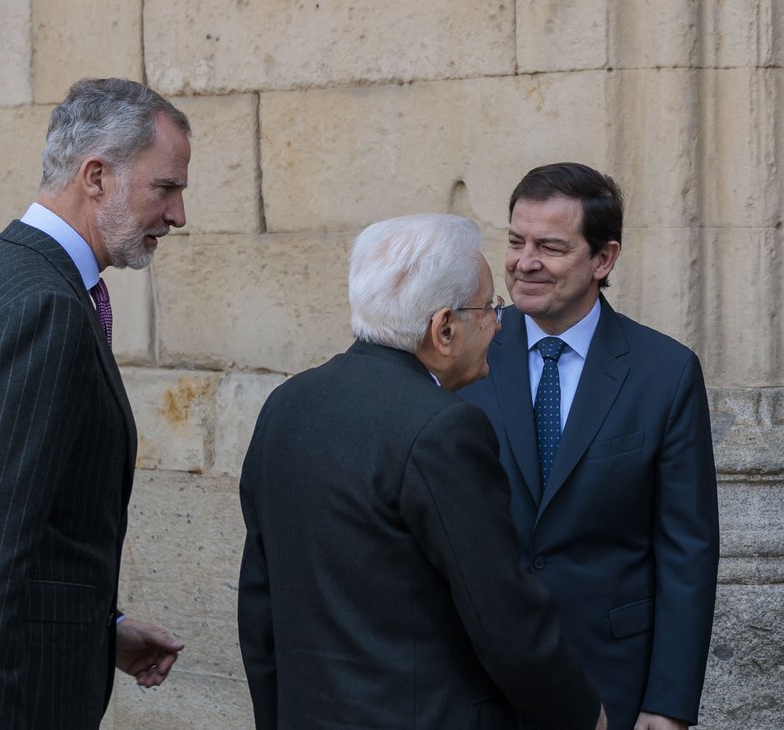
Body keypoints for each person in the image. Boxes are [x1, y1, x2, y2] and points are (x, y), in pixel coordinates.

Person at [237, 213, 606, 730]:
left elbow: (260, 602)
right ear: (444, 329)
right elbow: (501, 616)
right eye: (489, 307)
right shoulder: (444, 429)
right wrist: (581, 714)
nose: (499, 323)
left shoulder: (287, 404)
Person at [0, 78, 190, 729]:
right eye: (166, 188)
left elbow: (36, 526)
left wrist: (99, 629)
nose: (178, 215)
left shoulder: (9, 273)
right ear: (97, 177)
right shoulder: (40, 306)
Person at [459, 163, 719, 730]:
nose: (524, 262)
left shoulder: (664, 372)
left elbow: (687, 549)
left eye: (550, 247)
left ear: (603, 259)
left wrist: (669, 704)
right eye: (515, 241)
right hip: (477, 680)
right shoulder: (462, 357)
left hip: (612, 679)